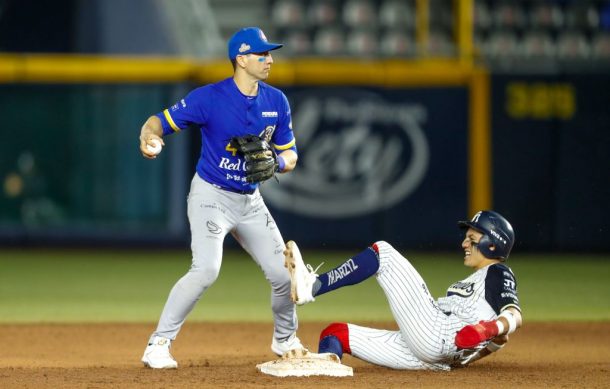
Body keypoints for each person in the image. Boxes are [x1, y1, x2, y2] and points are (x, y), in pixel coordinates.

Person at [139, 27, 302, 369]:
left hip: (250, 201)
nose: (269, 59)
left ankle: (285, 339)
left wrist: (277, 163)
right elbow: (158, 121)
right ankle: (158, 343)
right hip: (211, 195)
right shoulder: (209, 98)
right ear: (241, 60)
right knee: (206, 270)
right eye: (262, 54)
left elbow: (291, 155)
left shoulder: (277, 101)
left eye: (269, 54)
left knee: (285, 276)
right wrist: (149, 137)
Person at [285, 210, 522, 370]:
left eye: (472, 238)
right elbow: (500, 338)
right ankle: (327, 368)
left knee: (383, 253)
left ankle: (311, 286)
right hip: (432, 357)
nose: (464, 244)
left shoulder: (499, 272)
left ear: (492, 244)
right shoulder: (481, 284)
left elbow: (513, 315)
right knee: (334, 333)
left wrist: (486, 329)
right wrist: (468, 353)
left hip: (436, 334)